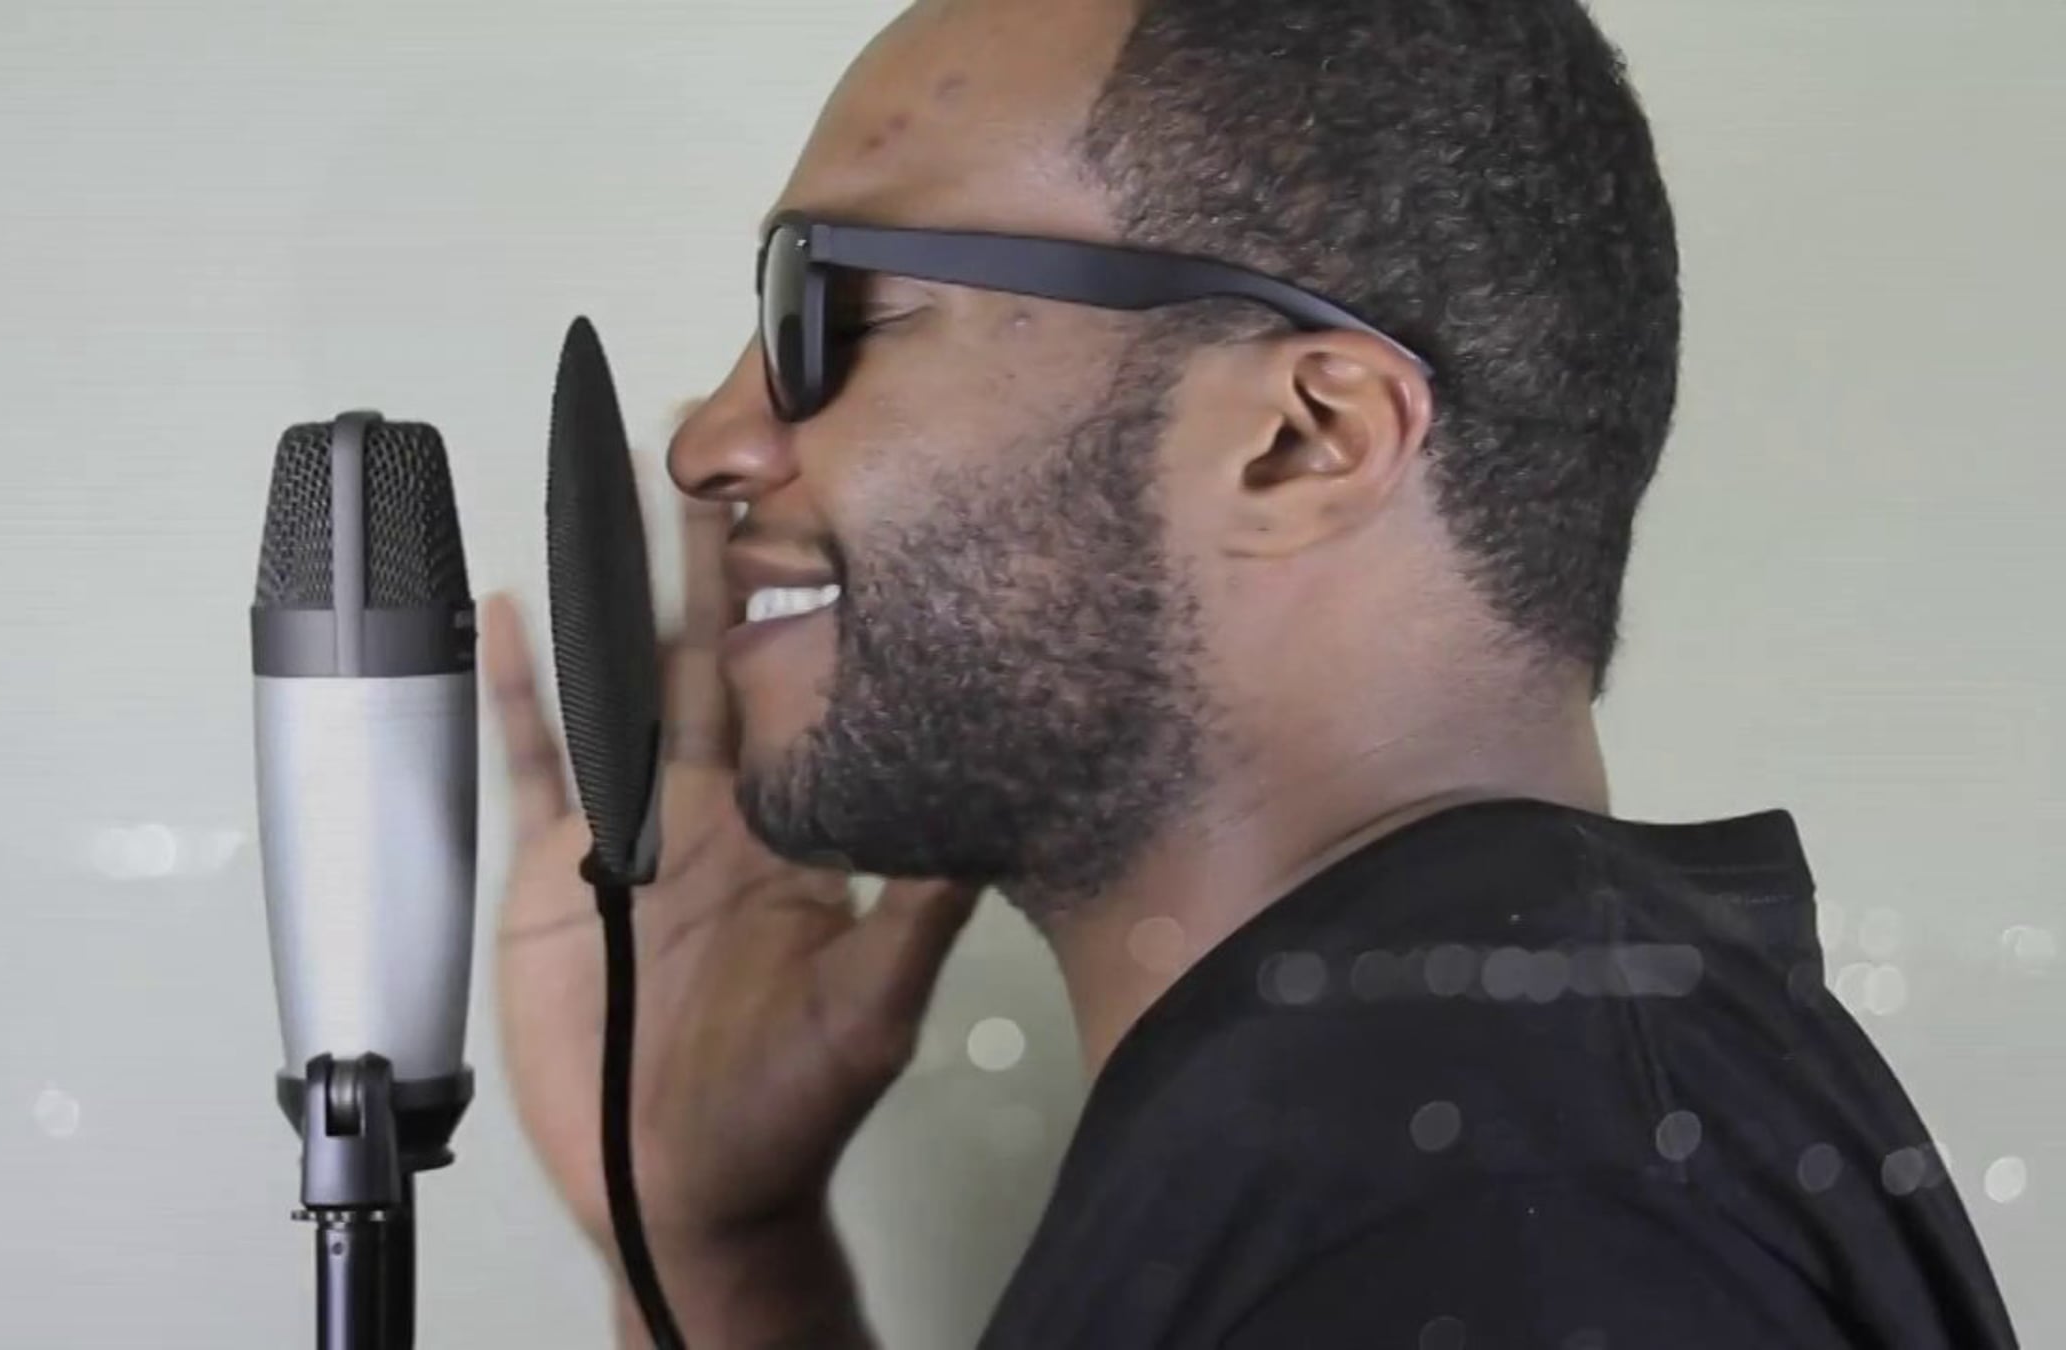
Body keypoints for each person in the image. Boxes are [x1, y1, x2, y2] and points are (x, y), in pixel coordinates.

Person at [483, 0, 2022, 1345]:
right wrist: (722, 1253)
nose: (714, 442)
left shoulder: (1491, 1195)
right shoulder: (1459, 1135)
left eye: (834, 307)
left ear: (1303, 438)